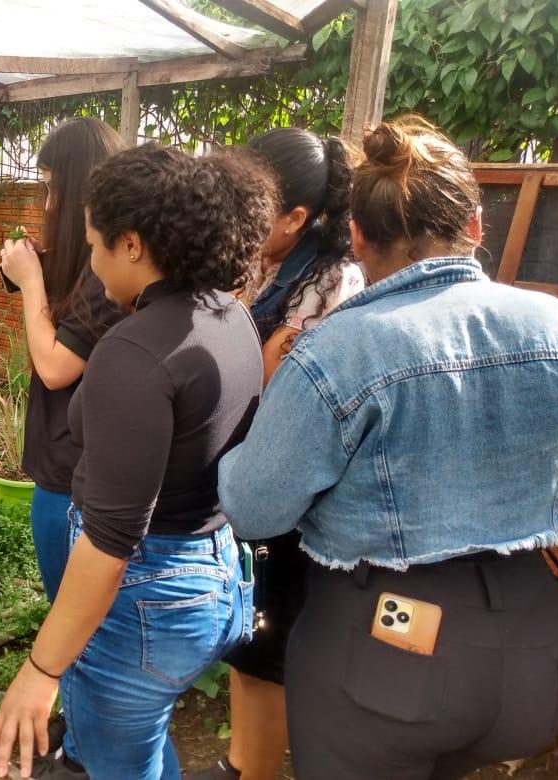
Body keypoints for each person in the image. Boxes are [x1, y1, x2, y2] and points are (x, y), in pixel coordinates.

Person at [218, 117, 558, 780]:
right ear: (476, 228)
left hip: (386, 663)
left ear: (356, 236)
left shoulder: (337, 352)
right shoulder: (552, 326)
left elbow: (254, 508)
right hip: (535, 658)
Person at [0, 143, 276, 780]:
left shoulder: (134, 353)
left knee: (119, 765)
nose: (90, 261)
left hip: (150, 598)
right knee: (139, 744)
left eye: (94, 245)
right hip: (218, 576)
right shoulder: (230, 317)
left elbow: (113, 540)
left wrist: (41, 670)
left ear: (134, 245)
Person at [190, 128, 363, 780]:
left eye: (251, 204)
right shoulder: (268, 261)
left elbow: (311, 409)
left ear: (295, 215)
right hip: (252, 476)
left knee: (270, 640)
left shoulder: (333, 285)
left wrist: (255, 375)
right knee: (251, 637)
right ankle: (246, 760)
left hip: (294, 499)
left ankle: (252, 768)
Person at [0, 117, 125, 603]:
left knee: (77, 623)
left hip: (78, 482)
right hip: (64, 467)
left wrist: (32, 282)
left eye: (55, 190)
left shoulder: (108, 277)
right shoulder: (86, 267)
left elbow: (55, 368)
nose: (47, 204)